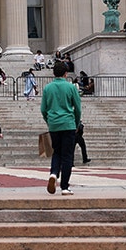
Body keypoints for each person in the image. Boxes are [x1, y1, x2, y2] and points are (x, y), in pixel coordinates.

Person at [41, 62, 82, 195]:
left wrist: (49, 121)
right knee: (67, 155)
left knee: (56, 152)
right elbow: (78, 108)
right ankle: (64, 186)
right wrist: (76, 124)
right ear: (66, 74)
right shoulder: (71, 87)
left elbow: (43, 109)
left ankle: (53, 174)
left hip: (54, 124)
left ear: (53, 73)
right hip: (68, 123)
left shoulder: (48, 88)